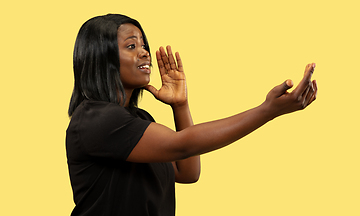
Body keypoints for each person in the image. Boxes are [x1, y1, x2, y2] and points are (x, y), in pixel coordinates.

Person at [66, 13, 317, 216]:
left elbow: (187, 172)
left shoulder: (139, 120)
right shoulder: (95, 119)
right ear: (101, 58)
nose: (144, 52)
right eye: (131, 46)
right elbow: (181, 145)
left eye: (144, 45)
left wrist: (180, 106)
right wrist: (268, 111)